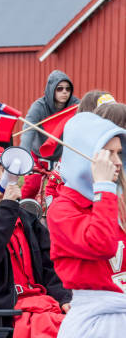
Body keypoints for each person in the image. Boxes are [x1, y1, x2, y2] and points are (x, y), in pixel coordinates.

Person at [0, 146, 71, 338]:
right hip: (3, 310)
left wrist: (64, 298)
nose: (2, 179)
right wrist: (8, 205)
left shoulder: (28, 219)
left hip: (40, 303)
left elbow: (50, 266)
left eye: (5, 171)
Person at [47, 112, 126, 337]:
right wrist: (103, 188)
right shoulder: (62, 210)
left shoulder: (118, 199)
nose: (117, 162)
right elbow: (102, 245)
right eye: (108, 154)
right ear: (85, 156)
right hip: (95, 324)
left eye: (119, 153)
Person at [20, 71, 79, 200]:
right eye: (60, 89)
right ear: (51, 89)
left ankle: (54, 215)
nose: (65, 92)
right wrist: (24, 156)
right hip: (38, 155)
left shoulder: (76, 106)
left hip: (62, 157)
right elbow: (28, 131)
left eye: (68, 89)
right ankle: (20, 211)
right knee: (32, 186)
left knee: (61, 191)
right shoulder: (39, 106)